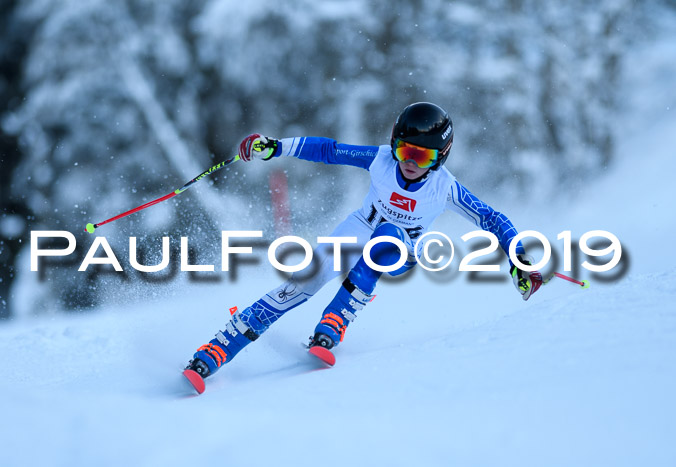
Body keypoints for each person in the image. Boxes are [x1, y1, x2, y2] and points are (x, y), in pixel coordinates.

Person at [184, 102, 542, 385]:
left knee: (385, 241)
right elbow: (330, 150)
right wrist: (277, 147)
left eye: (423, 157)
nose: (410, 163)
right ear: (394, 144)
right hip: (360, 226)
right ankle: (218, 348)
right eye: (405, 151)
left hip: (402, 247)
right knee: (305, 280)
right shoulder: (381, 160)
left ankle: (335, 320)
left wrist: (519, 258)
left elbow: (491, 218)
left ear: (441, 157)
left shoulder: (444, 187)